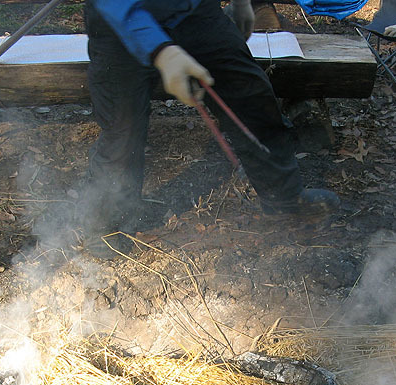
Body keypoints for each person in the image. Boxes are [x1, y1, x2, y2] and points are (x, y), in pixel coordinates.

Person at [81, 0, 340, 236]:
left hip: (192, 12)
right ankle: (107, 226)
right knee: (122, 130)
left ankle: (283, 197)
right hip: (120, 21)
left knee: (251, 95)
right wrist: (161, 50)